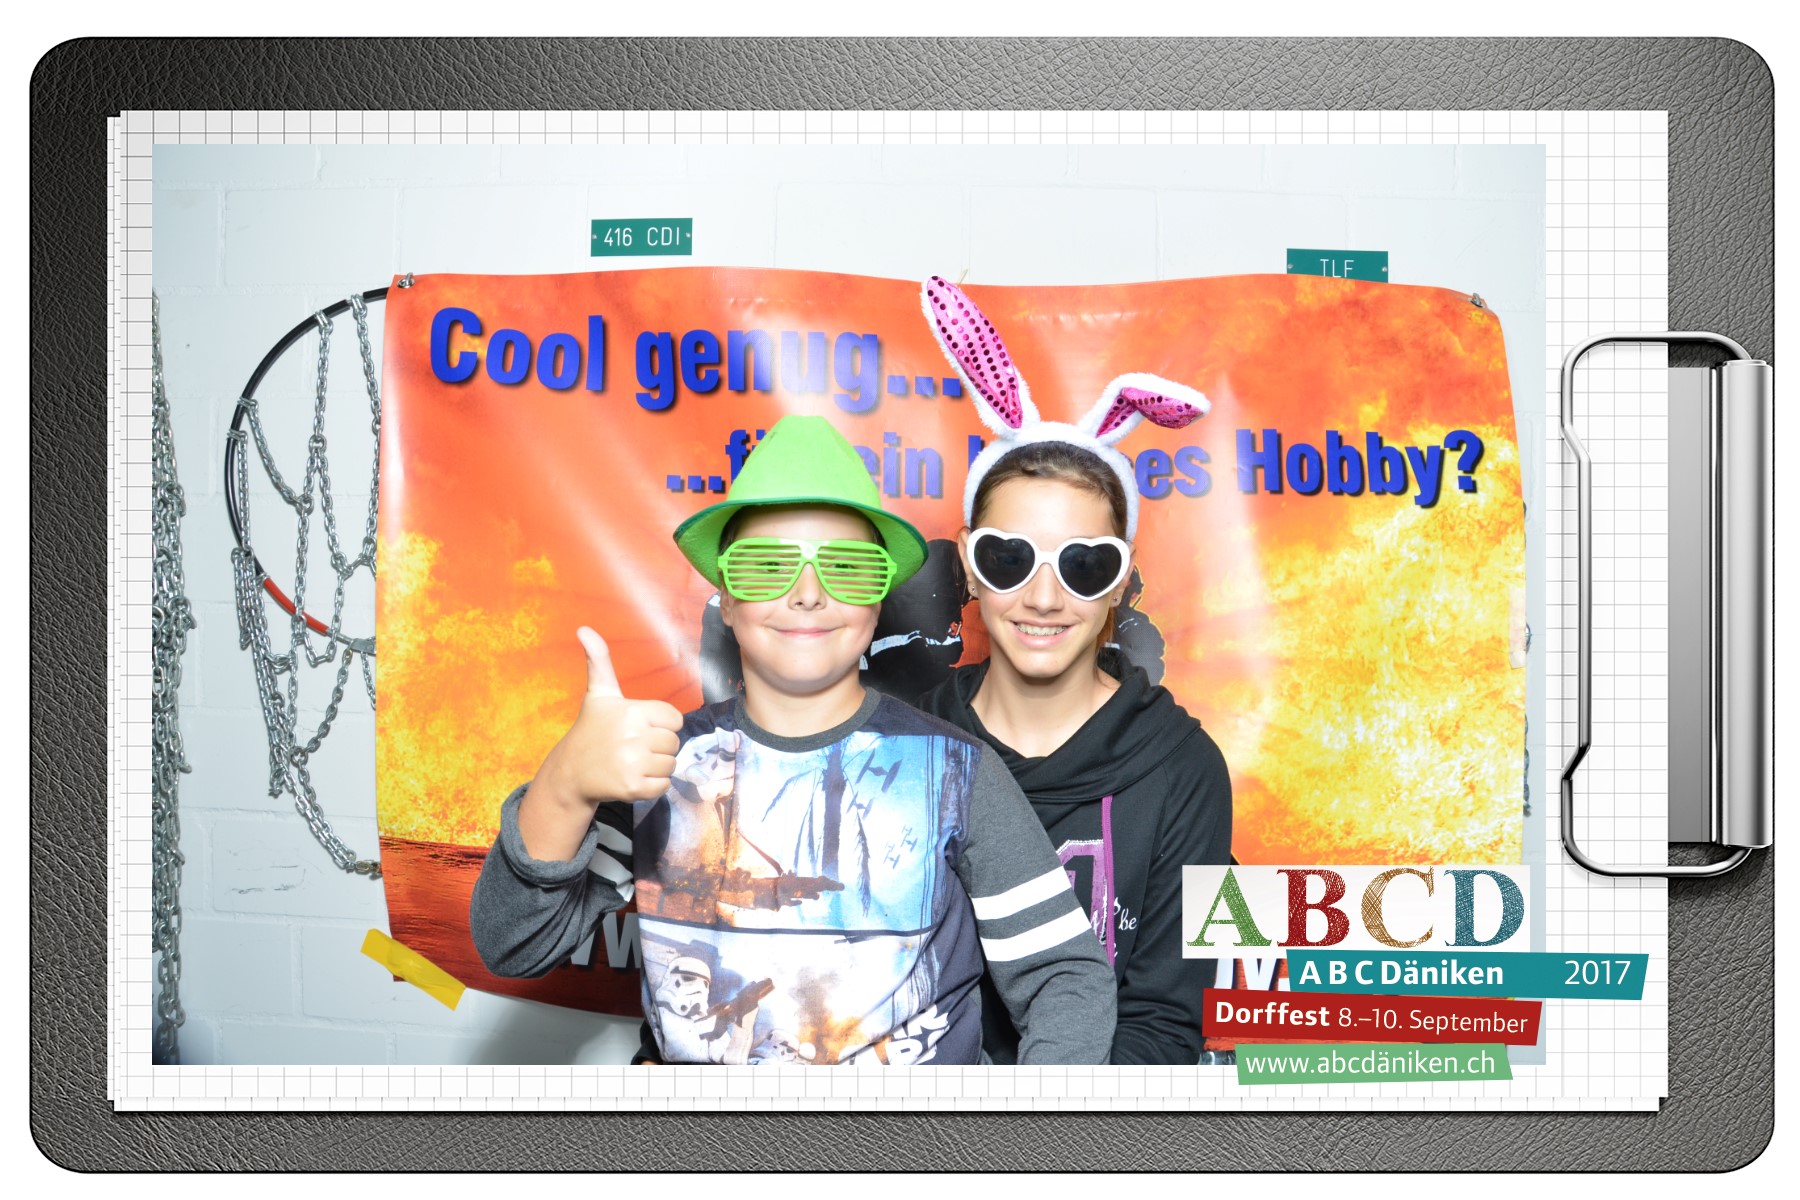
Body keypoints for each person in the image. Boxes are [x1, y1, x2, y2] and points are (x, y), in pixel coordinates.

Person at [468, 414, 1116, 1066]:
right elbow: (513, 946)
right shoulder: (659, 766)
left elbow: (1066, 978)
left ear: (879, 601)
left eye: (847, 569)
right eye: (765, 567)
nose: (807, 594)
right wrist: (564, 787)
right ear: (725, 598)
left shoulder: (955, 771)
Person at [914, 276, 1234, 1066]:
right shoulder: (908, 745)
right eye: (1010, 557)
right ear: (969, 564)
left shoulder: (1187, 771)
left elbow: (1165, 1029)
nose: (1044, 597)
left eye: (1085, 564)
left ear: (1122, 580)